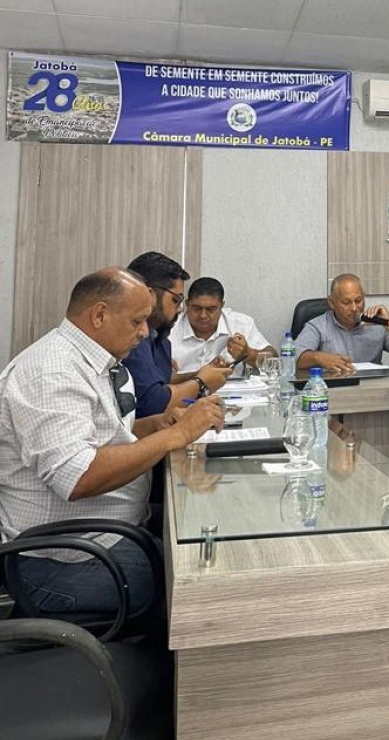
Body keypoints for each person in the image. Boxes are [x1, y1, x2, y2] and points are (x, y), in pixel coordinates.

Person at [0, 268, 223, 616]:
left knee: (201, 536)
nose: (144, 331)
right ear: (100, 315)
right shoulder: (51, 372)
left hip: (107, 534)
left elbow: (106, 436)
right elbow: (78, 476)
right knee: (202, 585)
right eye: (137, 321)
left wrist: (157, 425)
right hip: (63, 559)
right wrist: (176, 435)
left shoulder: (97, 361)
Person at [124, 252, 231, 417]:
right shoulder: (132, 336)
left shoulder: (159, 336)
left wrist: (202, 373)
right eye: (176, 300)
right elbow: (154, 403)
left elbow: (163, 383)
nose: (180, 309)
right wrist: (201, 382)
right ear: (149, 295)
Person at [295, 274, 389, 375]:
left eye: (358, 300)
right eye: (346, 302)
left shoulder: (377, 324)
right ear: (332, 303)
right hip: (334, 387)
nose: (354, 308)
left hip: (372, 386)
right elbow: (292, 358)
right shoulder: (318, 326)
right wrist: (318, 357)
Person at [169, 276, 277, 376]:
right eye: (197, 308)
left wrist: (248, 353)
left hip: (233, 390)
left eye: (211, 309)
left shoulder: (241, 324)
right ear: (187, 304)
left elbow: (274, 362)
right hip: (183, 389)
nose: (203, 315)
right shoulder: (170, 326)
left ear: (221, 306)